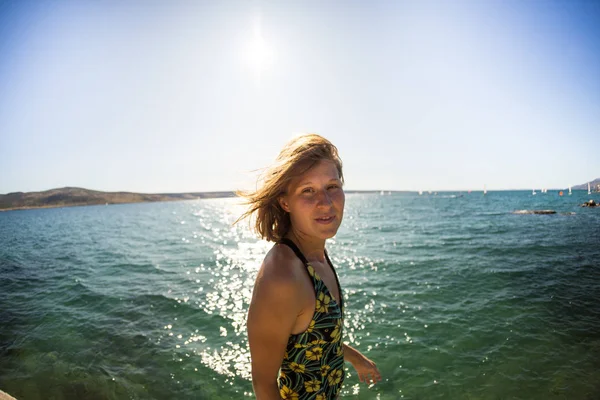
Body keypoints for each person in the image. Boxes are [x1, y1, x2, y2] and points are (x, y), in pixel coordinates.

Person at [237, 134, 381, 399]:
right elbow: (264, 385)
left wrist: (354, 358)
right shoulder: (283, 277)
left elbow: (319, 336)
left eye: (332, 186)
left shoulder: (316, 257)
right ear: (285, 202)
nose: (325, 202)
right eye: (307, 190)